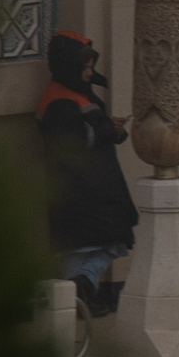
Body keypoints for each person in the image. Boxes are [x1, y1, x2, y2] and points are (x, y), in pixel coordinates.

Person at [36, 28, 137, 307]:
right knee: (78, 253)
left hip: (96, 192)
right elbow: (73, 140)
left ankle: (81, 293)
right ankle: (74, 304)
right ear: (70, 66)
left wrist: (112, 129)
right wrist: (107, 129)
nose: (90, 73)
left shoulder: (78, 94)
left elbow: (94, 130)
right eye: (86, 67)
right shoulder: (58, 101)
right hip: (77, 193)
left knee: (110, 241)